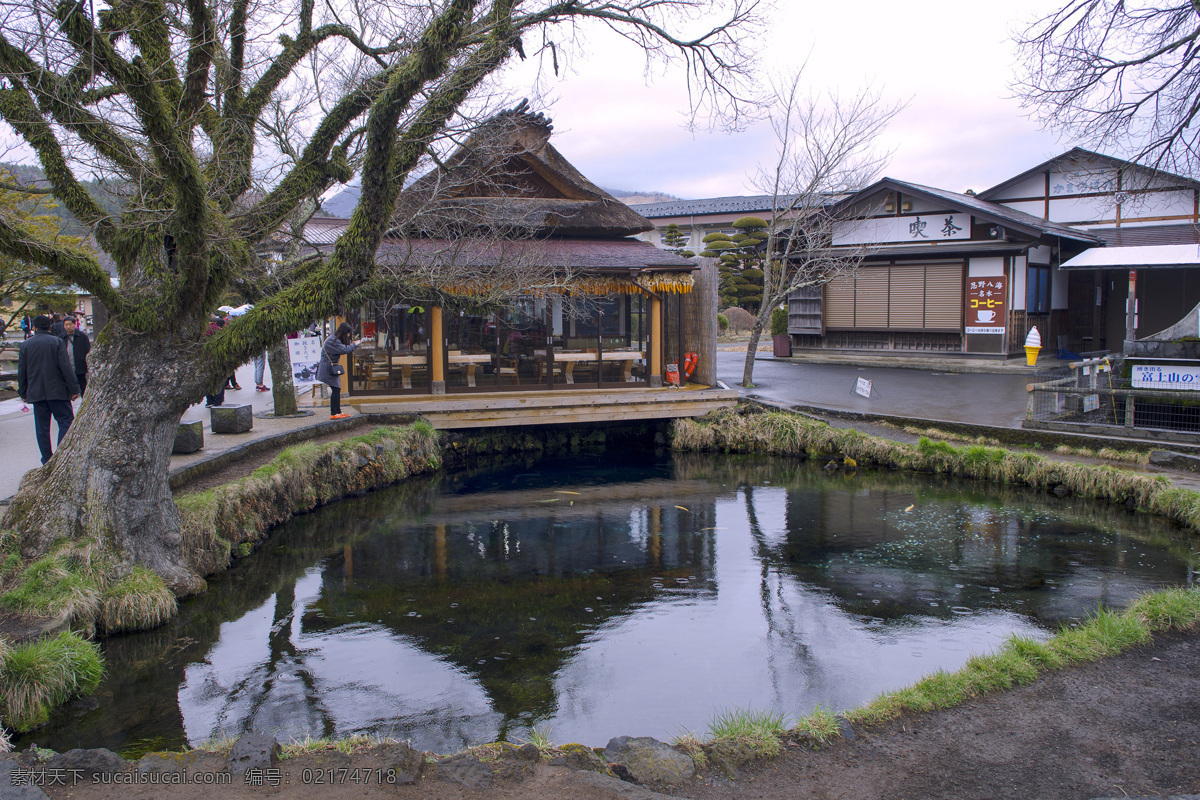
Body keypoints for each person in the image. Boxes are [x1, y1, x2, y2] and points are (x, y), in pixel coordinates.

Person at [17, 314, 80, 464]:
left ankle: (46, 459)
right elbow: (66, 367)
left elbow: (22, 371)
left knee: (42, 427)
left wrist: (23, 392)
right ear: (50, 326)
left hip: (37, 391)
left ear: (33, 327)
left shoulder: (26, 345)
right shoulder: (57, 342)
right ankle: (61, 454)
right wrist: (74, 388)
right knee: (65, 421)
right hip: (58, 390)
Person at [317, 321, 360, 420]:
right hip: (328, 368)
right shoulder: (333, 341)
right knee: (336, 389)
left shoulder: (334, 338)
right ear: (344, 332)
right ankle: (334, 413)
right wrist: (355, 344)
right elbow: (344, 350)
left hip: (330, 367)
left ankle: (338, 411)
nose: (348, 335)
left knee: (336, 389)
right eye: (348, 333)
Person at [59, 314, 91, 396]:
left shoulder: (82, 336)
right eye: (66, 325)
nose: (68, 326)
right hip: (66, 368)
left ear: (74, 324)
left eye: (70, 324)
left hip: (79, 367)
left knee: (82, 387)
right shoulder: (60, 338)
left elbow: (88, 350)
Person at [204, 315, 226, 407]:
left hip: (206, 358)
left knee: (209, 380)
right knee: (219, 380)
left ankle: (209, 401)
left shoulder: (203, 332)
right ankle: (218, 401)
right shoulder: (219, 330)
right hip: (218, 357)